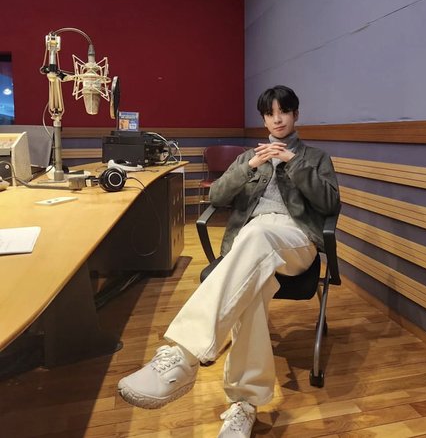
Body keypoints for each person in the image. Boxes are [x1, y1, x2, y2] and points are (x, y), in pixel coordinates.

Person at [118, 85, 340, 437]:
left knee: (257, 236)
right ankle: (244, 404)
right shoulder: (249, 157)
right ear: (263, 119)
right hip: (250, 245)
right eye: (270, 113)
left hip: (295, 241)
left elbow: (329, 204)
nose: (277, 119)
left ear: (296, 115)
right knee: (250, 292)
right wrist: (250, 166)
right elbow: (218, 197)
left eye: (284, 111)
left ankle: (184, 354)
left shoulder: (314, 157)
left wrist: (293, 163)